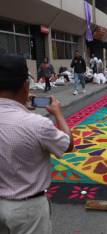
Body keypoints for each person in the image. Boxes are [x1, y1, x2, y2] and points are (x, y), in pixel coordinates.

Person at [0, 54, 73, 234]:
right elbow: (68, 144)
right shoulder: (36, 124)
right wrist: (58, 114)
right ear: (26, 86)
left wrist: (21, 105)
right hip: (28, 210)